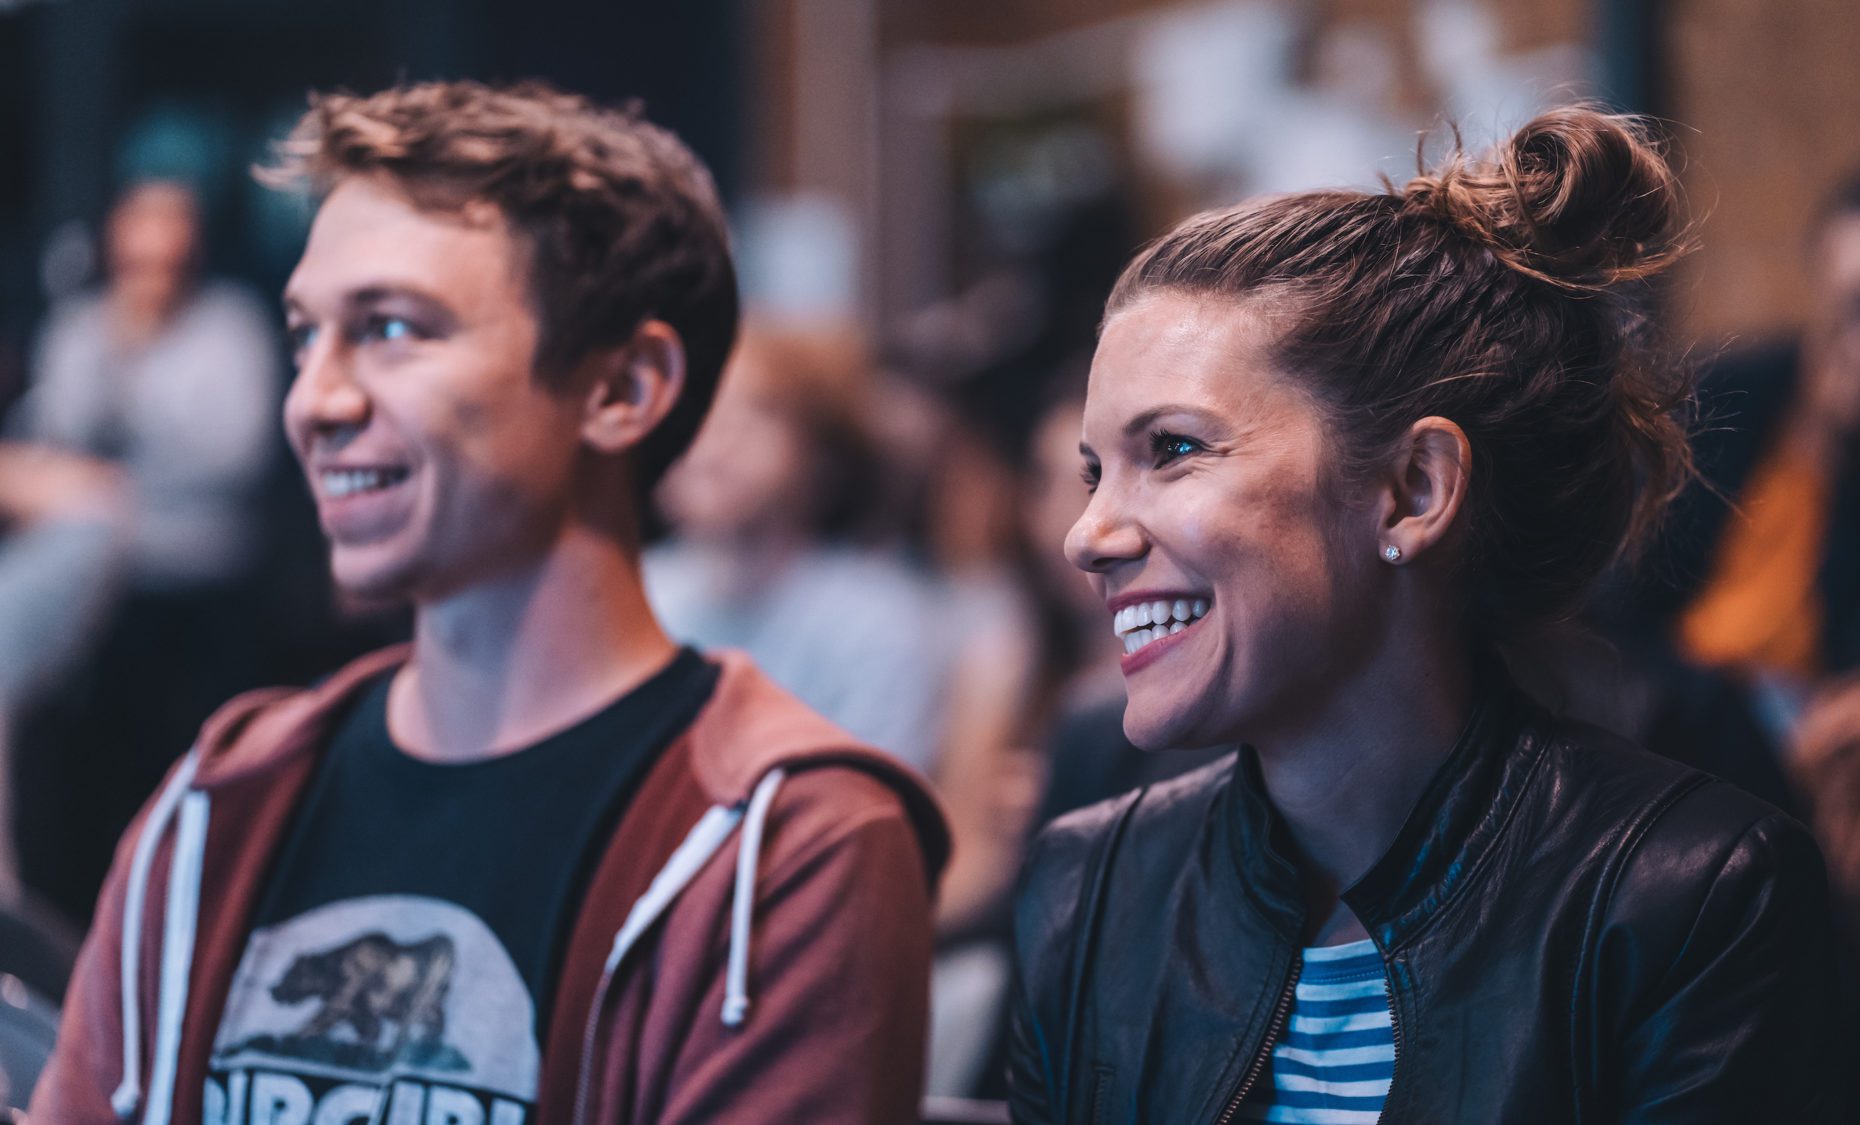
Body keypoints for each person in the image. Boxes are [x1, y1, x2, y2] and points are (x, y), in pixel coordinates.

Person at [32, 80, 947, 1125]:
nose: (314, 401)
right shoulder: (218, 801)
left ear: (622, 389)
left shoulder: (792, 843)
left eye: (389, 329)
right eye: (305, 336)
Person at [1008, 107, 1840, 1123]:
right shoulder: (1087, 891)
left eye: (1173, 450)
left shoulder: (1691, 896)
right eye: (1096, 473)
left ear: (1411, 489)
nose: (1087, 534)